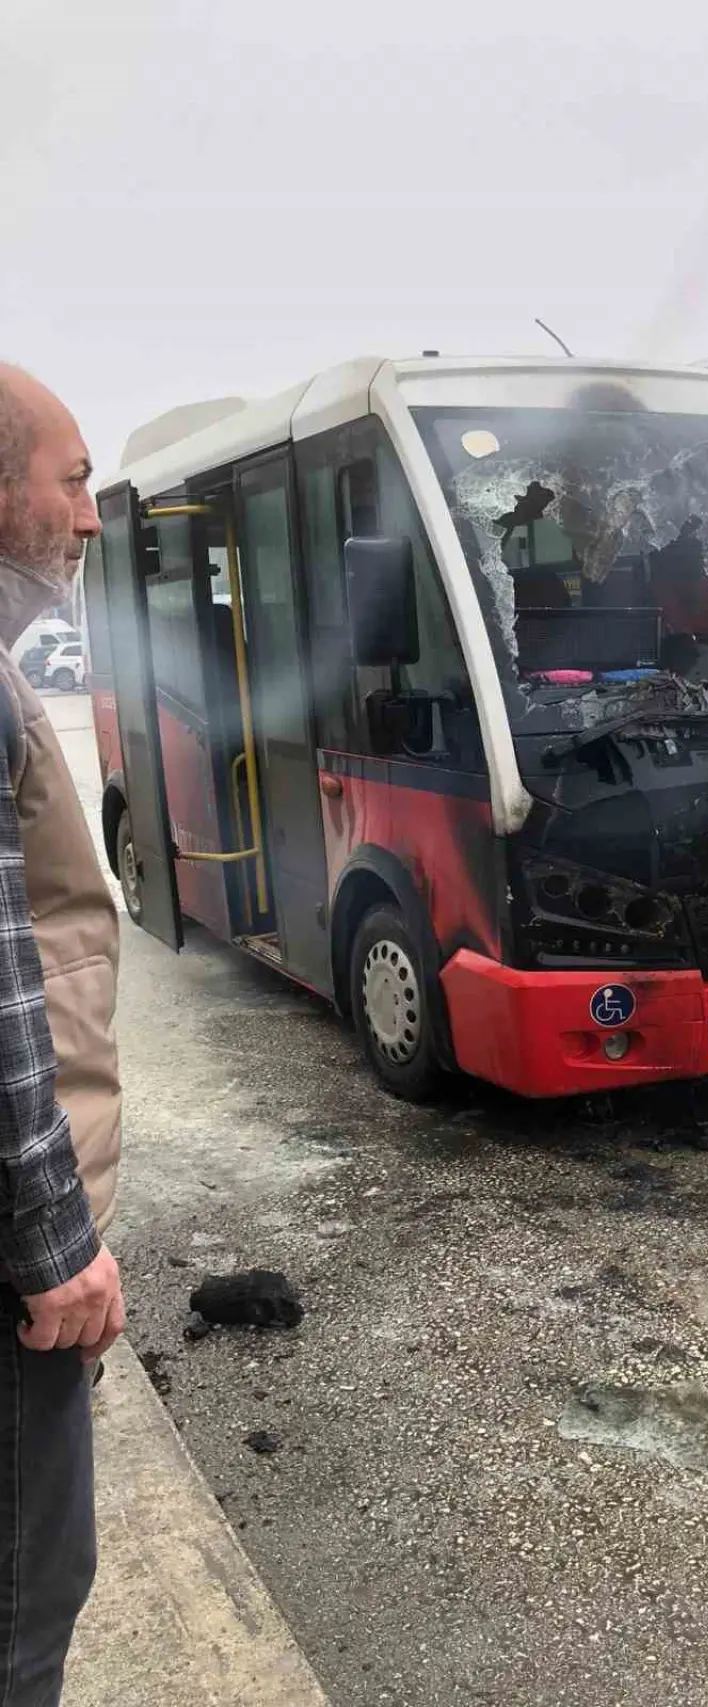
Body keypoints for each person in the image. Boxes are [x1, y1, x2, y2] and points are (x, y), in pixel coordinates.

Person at [0, 364, 126, 1705]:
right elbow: (1, 984)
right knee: (31, 1603)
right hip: (17, 1276)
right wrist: (57, 1242)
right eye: (73, 477)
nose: (90, 519)